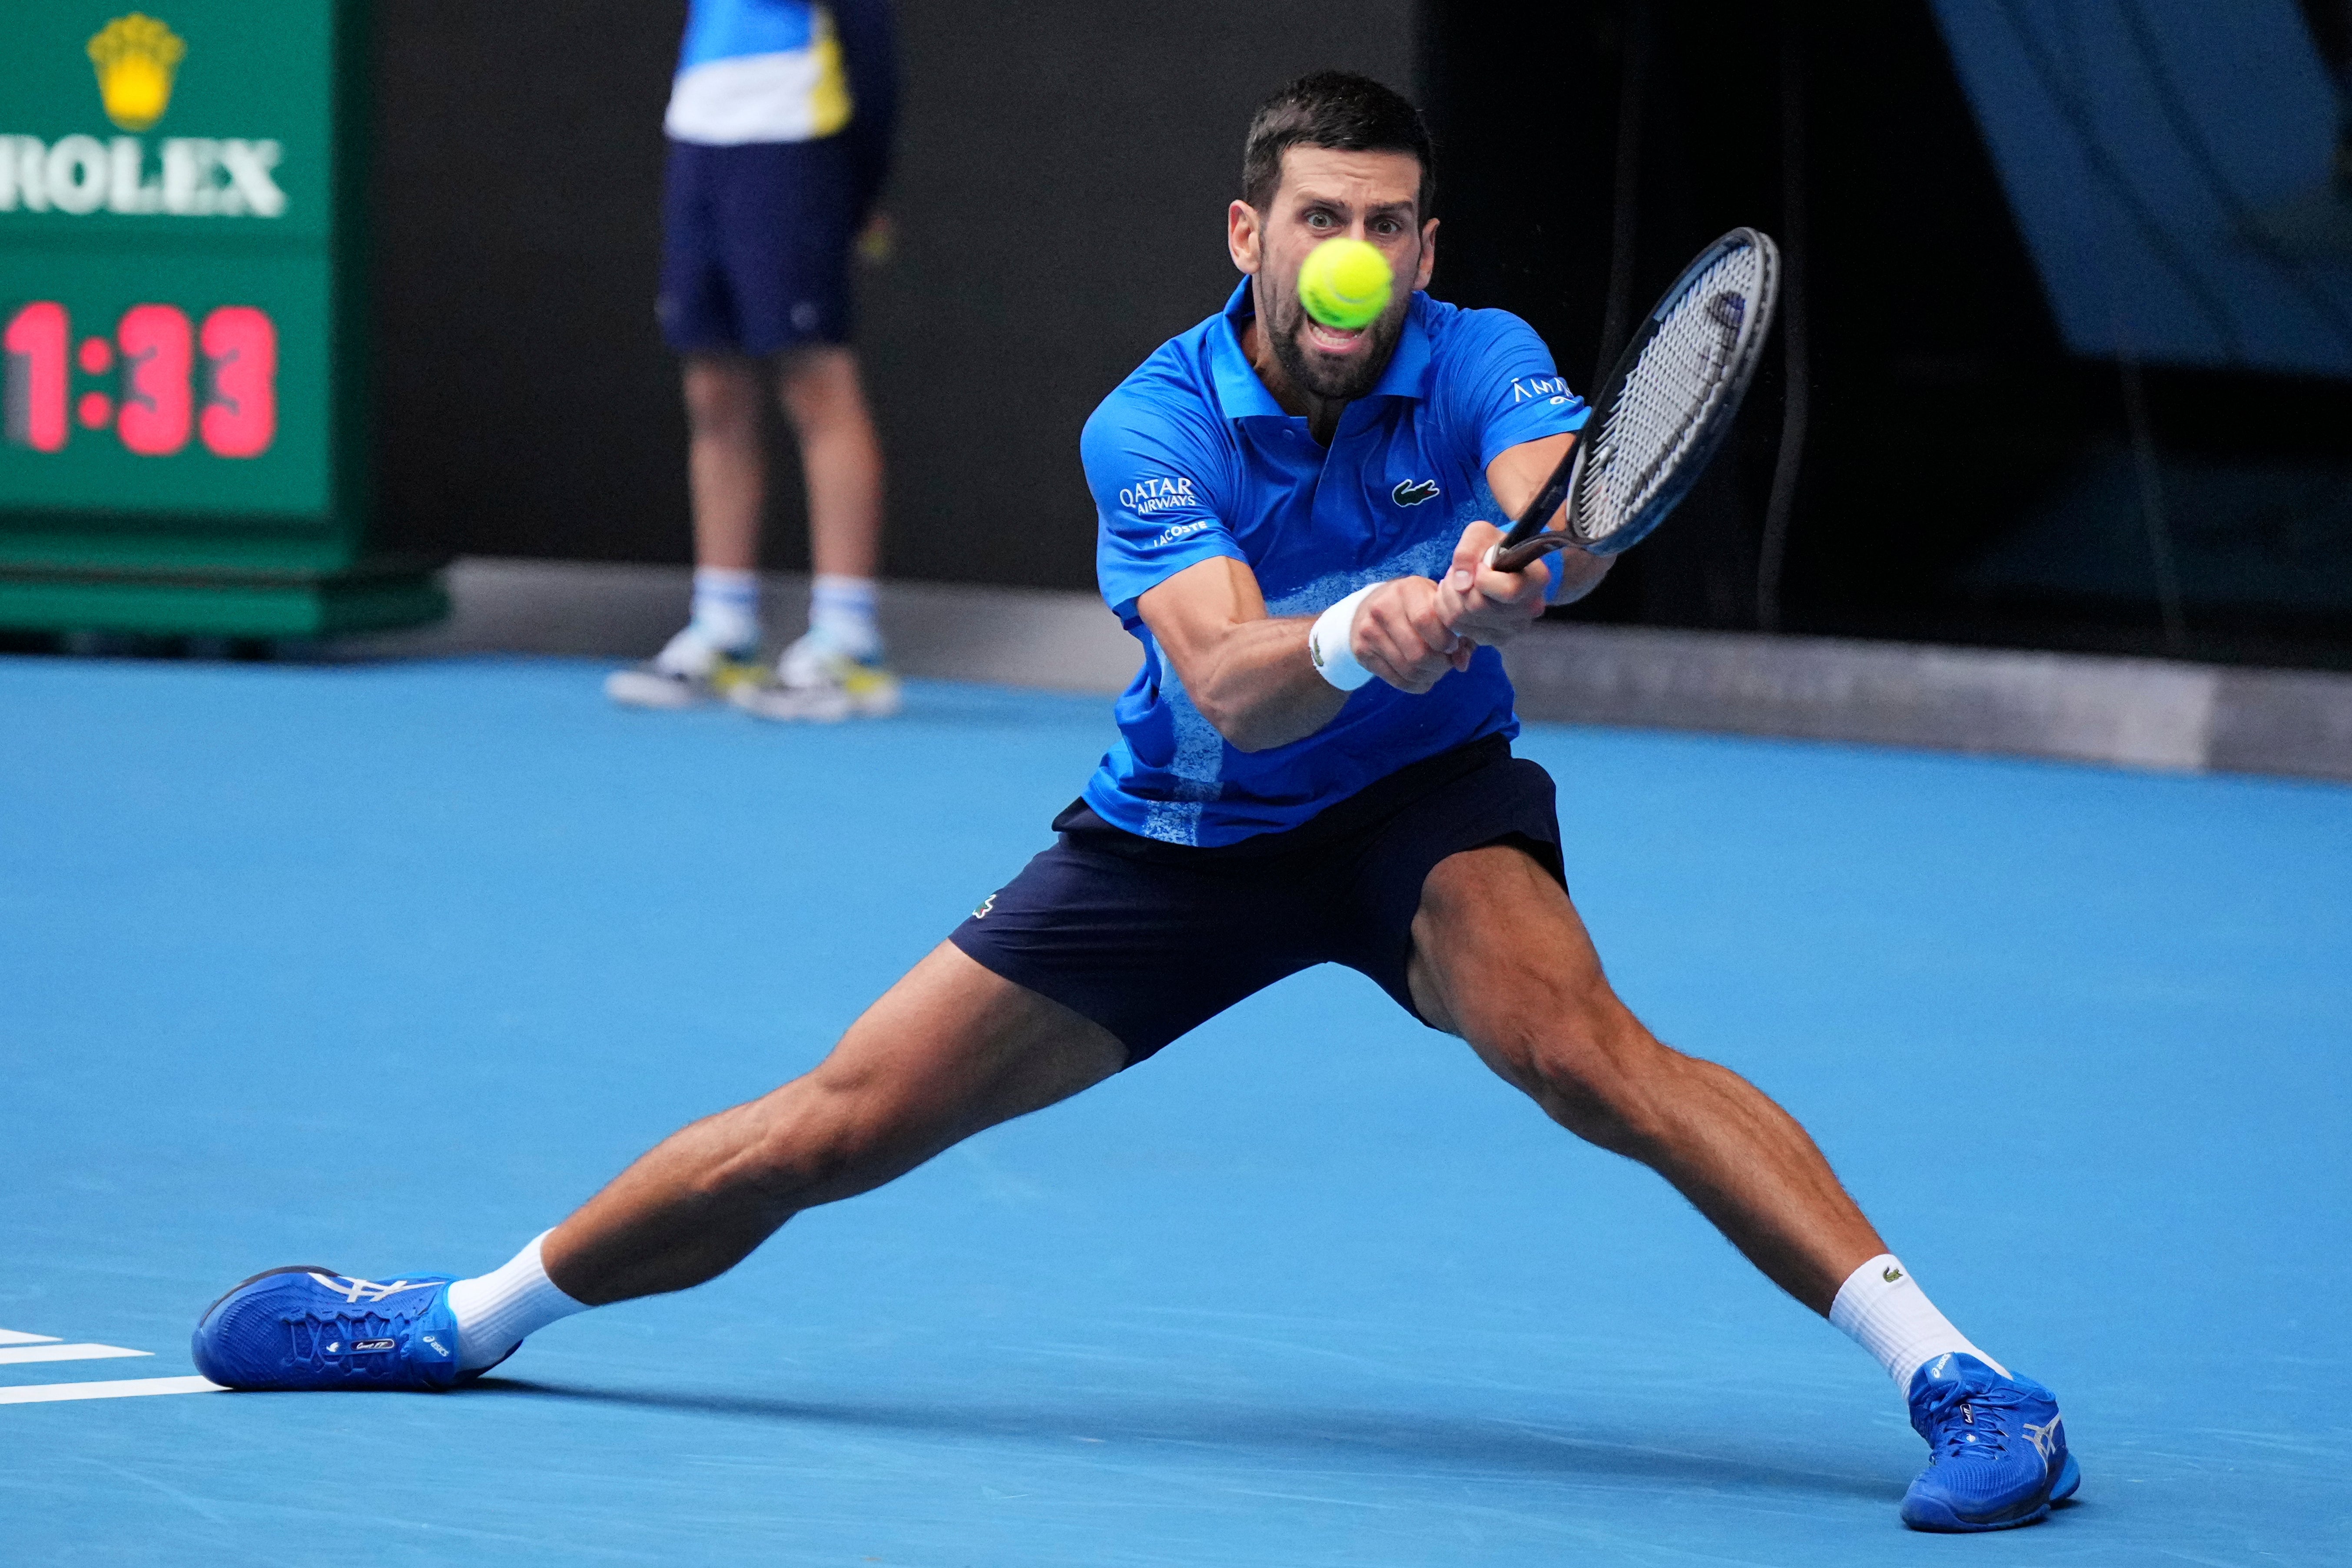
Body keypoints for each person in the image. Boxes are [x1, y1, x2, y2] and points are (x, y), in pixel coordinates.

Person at [194, 72, 2077, 1535]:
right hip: (1177, 844)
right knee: (828, 1128)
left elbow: (1562, 506)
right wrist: (1360, 625)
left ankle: (1968, 1383)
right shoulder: (1150, 422)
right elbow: (1235, 684)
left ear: (1427, 248)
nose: (1356, 256)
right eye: (1322, 219)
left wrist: (1515, 570)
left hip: (1420, 809)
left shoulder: (1479, 354)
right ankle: (452, 1318)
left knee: (1586, 1049)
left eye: (1389, 225)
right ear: (1249, 232)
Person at [605, 0, 903, 722]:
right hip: (700, 137)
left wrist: (860, 184)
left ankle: (849, 641)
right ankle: (725, 627)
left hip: (796, 142)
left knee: (815, 383)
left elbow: (871, 45)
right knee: (712, 385)